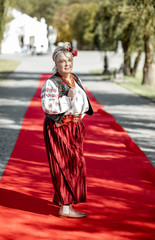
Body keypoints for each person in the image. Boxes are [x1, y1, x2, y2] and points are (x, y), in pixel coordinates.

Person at [41, 43, 93, 218]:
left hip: (74, 127)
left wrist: (79, 115)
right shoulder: (51, 82)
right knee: (64, 165)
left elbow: (83, 104)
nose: (66, 64)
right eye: (62, 61)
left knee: (75, 164)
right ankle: (65, 207)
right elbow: (48, 108)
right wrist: (66, 98)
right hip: (59, 127)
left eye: (69, 60)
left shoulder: (74, 78)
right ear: (56, 64)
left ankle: (61, 198)